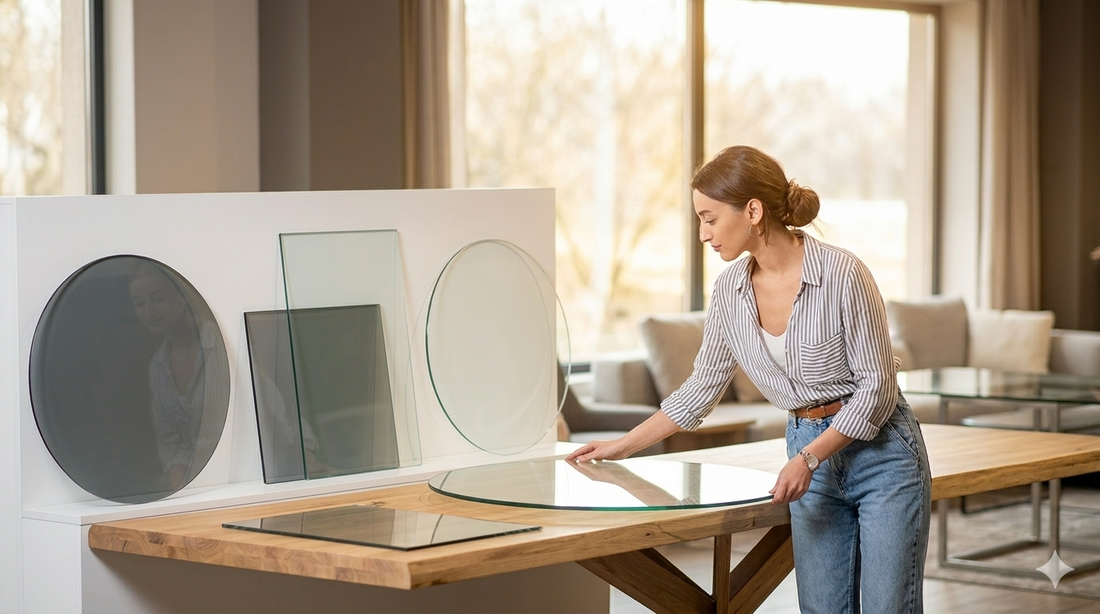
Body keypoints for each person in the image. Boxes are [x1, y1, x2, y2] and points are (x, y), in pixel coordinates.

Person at [567, 145, 931, 613]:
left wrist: (810, 459)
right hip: (806, 453)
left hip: (882, 459)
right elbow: (701, 389)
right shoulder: (728, 293)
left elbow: (877, 390)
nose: (703, 234)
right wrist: (621, 446)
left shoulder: (843, 273)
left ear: (753, 211)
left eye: (710, 218)